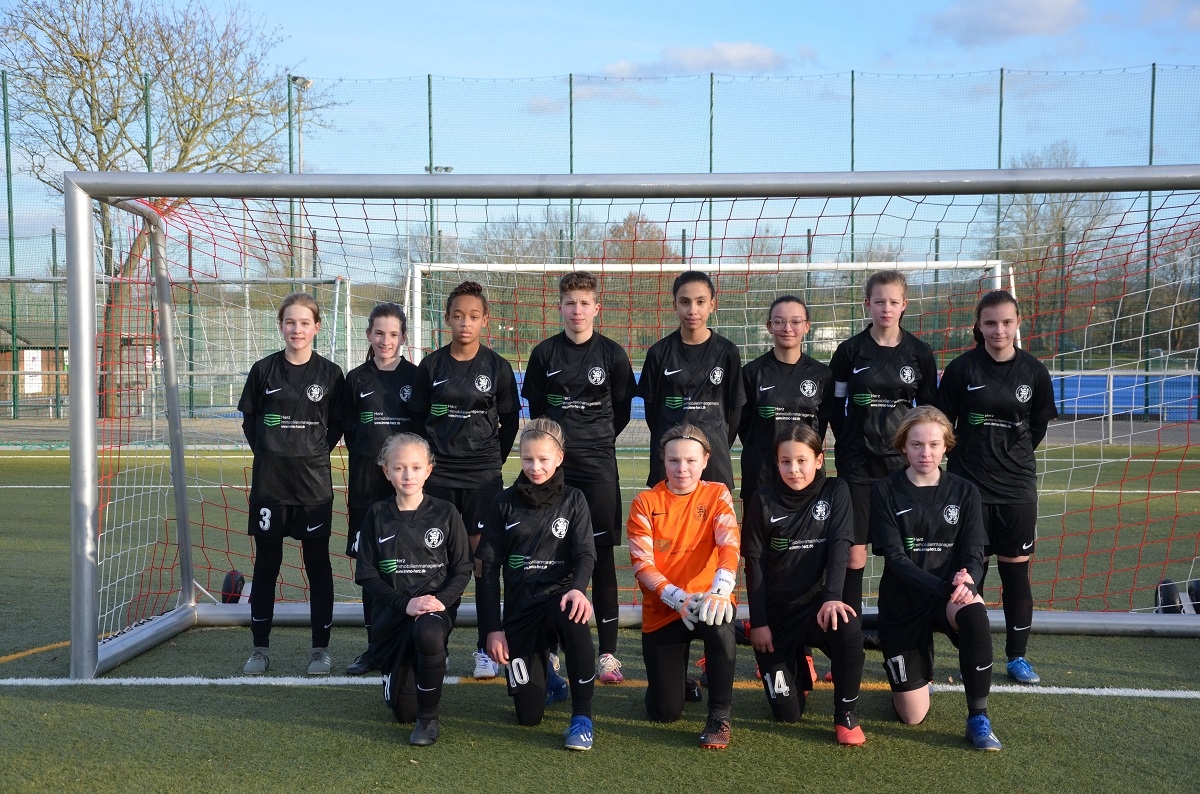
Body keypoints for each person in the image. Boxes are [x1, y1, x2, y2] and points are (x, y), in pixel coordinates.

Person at [936, 289, 1057, 685]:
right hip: (968, 488)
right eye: (990, 323)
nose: (998, 330)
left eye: (1006, 322)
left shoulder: (1034, 372)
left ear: (1018, 323)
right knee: (969, 575)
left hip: (1017, 489)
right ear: (979, 325)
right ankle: (973, 653)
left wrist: (1011, 457)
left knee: (1016, 575)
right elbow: (942, 425)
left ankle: (1017, 657)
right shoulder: (961, 369)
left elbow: (1037, 428)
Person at [522, 271, 635, 685]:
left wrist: (593, 441)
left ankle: (607, 654)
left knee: (601, 558)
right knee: (552, 555)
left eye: (584, 303)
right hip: (555, 470)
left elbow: (621, 410)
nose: (577, 310)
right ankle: (550, 650)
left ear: (596, 308)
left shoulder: (612, 354)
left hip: (599, 467)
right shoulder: (544, 354)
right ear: (560, 307)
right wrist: (556, 452)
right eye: (570, 303)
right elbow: (538, 412)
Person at [407, 280, 520, 681]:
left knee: (483, 562)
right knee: (438, 562)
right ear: (447, 319)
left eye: (473, 316)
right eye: (458, 316)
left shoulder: (497, 367)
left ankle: (485, 649)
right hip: (439, 477)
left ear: (485, 320)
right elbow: (417, 422)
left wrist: (489, 462)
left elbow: (510, 423)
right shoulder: (431, 366)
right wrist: (430, 465)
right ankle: (436, 646)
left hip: (483, 478)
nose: (465, 323)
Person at [871, 406, 1002, 751]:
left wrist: (968, 580)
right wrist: (946, 586)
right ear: (903, 446)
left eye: (933, 444)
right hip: (902, 602)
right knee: (912, 716)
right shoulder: (884, 491)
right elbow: (896, 560)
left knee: (974, 612)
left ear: (946, 446)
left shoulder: (965, 491)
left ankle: (978, 718)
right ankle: (912, 669)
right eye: (916, 444)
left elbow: (975, 553)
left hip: (949, 598)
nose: (925, 452)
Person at [237, 292, 346, 676]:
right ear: (281, 326)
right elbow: (250, 422)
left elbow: (336, 425)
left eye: (304, 323)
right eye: (290, 322)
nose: (296, 329)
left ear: (317, 327)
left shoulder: (331, 374)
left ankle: (320, 651)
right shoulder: (263, 370)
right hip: (270, 486)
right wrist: (272, 453)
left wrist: (310, 453)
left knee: (317, 567)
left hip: (313, 487)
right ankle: (260, 649)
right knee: (267, 565)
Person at [476, 419, 599, 751]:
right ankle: (551, 680)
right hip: (520, 615)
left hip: (558, 601)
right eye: (528, 459)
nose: (535, 467)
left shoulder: (574, 499)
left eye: (544, 459)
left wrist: (578, 589)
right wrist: (492, 630)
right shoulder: (503, 503)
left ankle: (582, 718)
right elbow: (487, 571)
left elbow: (586, 554)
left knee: (574, 615)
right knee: (528, 716)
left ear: (559, 457)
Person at [741, 425, 866, 745]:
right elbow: (754, 566)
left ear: (819, 460)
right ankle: (796, 665)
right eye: (785, 461)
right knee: (788, 713)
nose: (793, 469)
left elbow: (840, 547)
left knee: (849, 626)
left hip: (818, 610)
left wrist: (832, 597)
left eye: (801, 460)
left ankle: (846, 715)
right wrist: (760, 623)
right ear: (777, 462)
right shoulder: (762, 500)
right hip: (777, 618)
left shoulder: (836, 490)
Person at [828, 270, 938, 618]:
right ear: (868, 304)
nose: (886, 308)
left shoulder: (919, 353)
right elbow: (835, 405)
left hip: (901, 467)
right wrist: (849, 439)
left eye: (893, 302)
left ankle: (901, 626)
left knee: (902, 550)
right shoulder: (849, 351)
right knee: (854, 552)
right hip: (858, 464)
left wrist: (913, 451)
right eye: (879, 301)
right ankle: (850, 630)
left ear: (904, 304)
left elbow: (928, 413)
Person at [627, 424, 740, 750]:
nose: (682, 469)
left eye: (691, 460)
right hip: (665, 609)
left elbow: (729, 544)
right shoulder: (645, 502)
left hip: (707, 599)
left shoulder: (717, 494)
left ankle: (719, 717)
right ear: (663, 460)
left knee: (720, 621)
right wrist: (677, 598)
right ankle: (679, 683)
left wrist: (720, 590)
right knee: (664, 712)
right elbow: (642, 565)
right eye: (674, 460)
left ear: (705, 460)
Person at [355, 433, 472, 746]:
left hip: (434, 612)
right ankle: (404, 669)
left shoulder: (446, 513)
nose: (408, 475)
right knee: (403, 711)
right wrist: (403, 603)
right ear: (386, 471)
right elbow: (367, 575)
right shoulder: (376, 515)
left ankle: (428, 720)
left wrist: (441, 602)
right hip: (393, 615)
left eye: (416, 467)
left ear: (428, 470)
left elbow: (462, 569)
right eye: (399, 467)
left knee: (428, 632)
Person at [341, 302, 420, 676]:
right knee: (371, 570)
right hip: (365, 489)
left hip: (405, 492)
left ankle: (409, 644)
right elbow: (347, 430)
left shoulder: (416, 378)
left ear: (403, 337)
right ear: (368, 335)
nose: (385, 340)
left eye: (392, 334)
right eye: (378, 333)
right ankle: (374, 649)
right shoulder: (355, 379)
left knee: (407, 566)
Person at [637, 271, 745, 491]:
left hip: (714, 458)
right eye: (685, 302)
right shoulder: (658, 353)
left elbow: (735, 411)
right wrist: (671, 442)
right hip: (671, 459)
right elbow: (652, 412)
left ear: (712, 305)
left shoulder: (727, 352)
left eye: (700, 302)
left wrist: (714, 443)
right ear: (675, 305)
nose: (692, 310)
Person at [739, 294, 833, 499]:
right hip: (762, 473)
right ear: (769, 326)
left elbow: (821, 424)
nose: (787, 328)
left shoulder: (822, 375)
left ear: (807, 326)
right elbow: (743, 426)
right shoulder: (751, 373)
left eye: (795, 322)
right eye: (779, 321)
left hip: (806, 474)